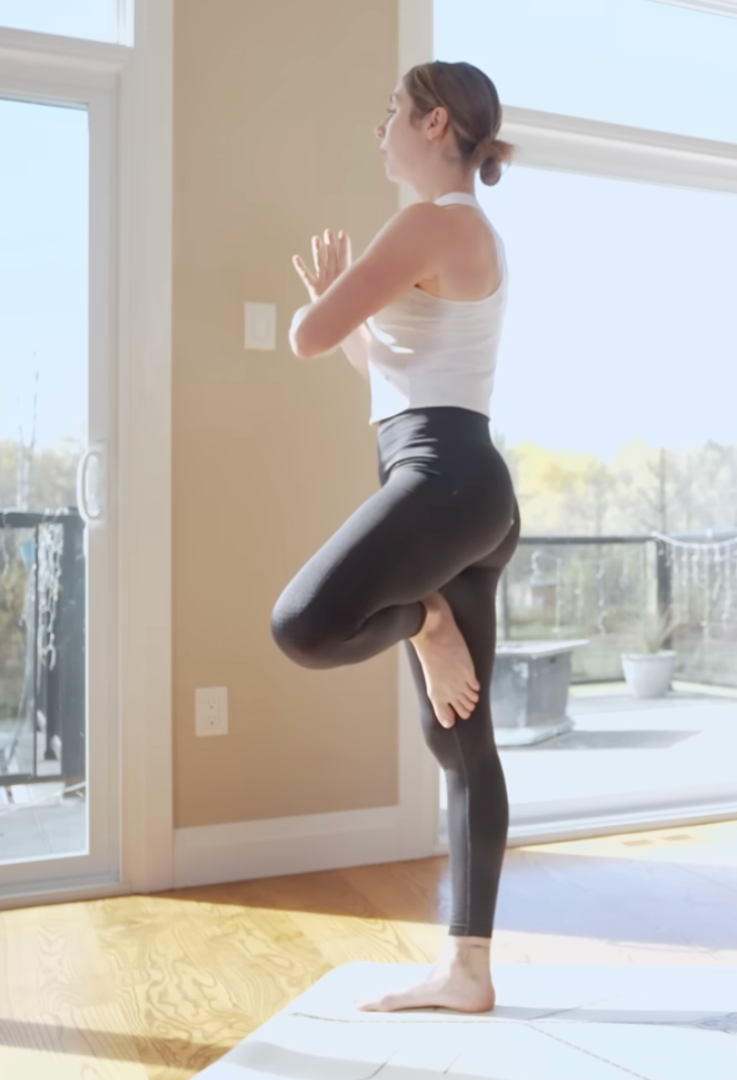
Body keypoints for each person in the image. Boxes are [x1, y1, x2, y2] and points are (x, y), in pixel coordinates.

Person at [269, 60, 518, 1014]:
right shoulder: (468, 232)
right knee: (458, 737)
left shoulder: (426, 221)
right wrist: (347, 305)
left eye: (390, 114)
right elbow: (389, 370)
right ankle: (468, 970)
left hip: (440, 479)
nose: (379, 131)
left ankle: (421, 618)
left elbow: (303, 336)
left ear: (435, 121)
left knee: (305, 623)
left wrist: (325, 304)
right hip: (467, 484)